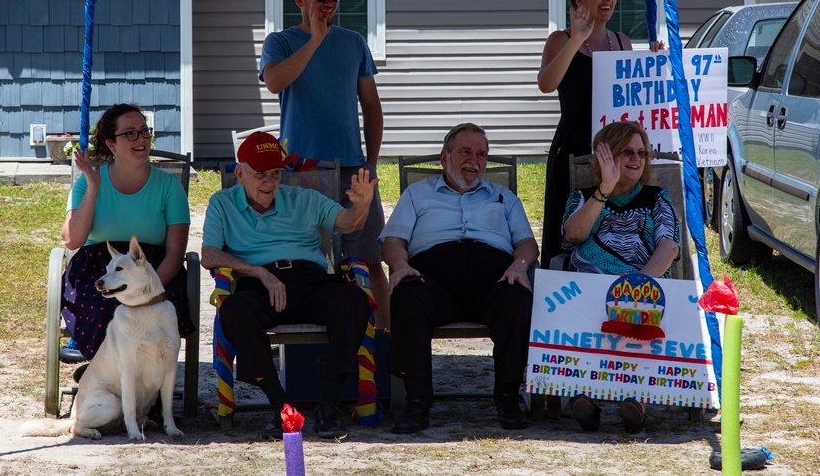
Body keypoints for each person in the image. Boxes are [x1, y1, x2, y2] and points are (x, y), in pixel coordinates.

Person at [200, 130, 378, 441]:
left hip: (310, 281)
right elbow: (209, 254)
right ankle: (280, 406)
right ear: (240, 173)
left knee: (352, 300)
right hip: (259, 284)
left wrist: (361, 206)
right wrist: (260, 273)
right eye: (259, 175)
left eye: (275, 173)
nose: (269, 182)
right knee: (236, 310)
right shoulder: (222, 203)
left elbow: (348, 223)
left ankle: (329, 405)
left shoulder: (304, 198)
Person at [380, 123, 539, 434]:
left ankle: (508, 396)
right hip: (432, 280)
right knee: (407, 295)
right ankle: (417, 403)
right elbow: (392, 242)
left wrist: (519, 266)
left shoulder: (503, 197)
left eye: (481, 154)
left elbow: (527, 244)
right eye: (465, 151)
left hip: (492, 280)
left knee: (518, 298)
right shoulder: (417, 194)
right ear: (444, 157)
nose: (474, 160)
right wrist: (400, 265)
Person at [259, 0, 389, 329]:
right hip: (302, 173)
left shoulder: (353, 42)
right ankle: (316, 339)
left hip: (352, 167)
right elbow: (273, 82)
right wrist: (315, 40)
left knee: (369, 255)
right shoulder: (281, 42)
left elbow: (372, 106)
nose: (329, 4)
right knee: (309, 257)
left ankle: (383, 342)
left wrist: (371, 163)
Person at [560, 120, 680, 433]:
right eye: (626, 151)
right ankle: (587, 398)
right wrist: (604, 192)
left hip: (641, 287)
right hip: (588, 289)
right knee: (588, 308)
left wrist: (636, 286)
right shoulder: (582, 198)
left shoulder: (657, 198)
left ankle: (635, 400)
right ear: (607, 156)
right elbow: (573, 234)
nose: (637, 158)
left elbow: (668, 247)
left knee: (635, 309)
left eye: (642, 153)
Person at [61, 104, 194, 362]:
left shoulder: (169, 186)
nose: (142, 139)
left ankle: (138, 388)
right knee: (104, 309)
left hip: (154, 272)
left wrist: (148, 289)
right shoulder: (88, 182)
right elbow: (73, 239)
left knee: (151, 315)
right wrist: (93, 188)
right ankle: (109, 380)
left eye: (144, 131)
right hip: (99, 270)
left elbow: (176, 253)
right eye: (130, 133)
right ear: (111, 144)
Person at [537, 0, 641, 270]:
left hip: (613, 149)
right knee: (568, 227)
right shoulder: (560, 39)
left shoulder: (622, 41)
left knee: (610, 225)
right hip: (573, 145)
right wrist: (577, 39)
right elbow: (546, 84)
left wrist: (654, 62)